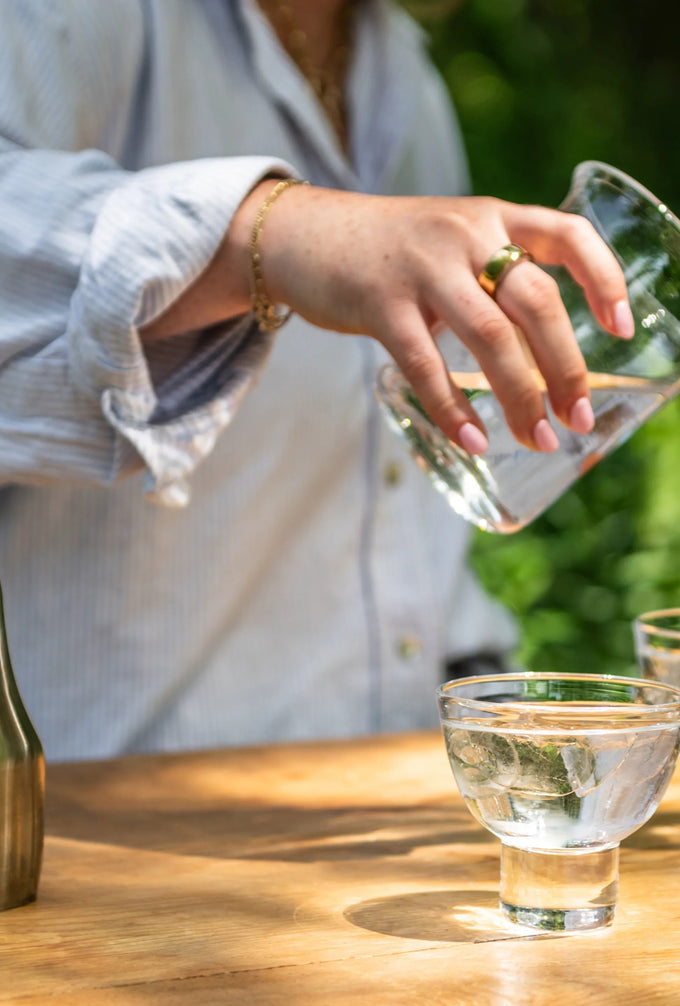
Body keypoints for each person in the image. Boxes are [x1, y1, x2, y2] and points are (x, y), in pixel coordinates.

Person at [0, 0, 632, 761]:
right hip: (109, 827)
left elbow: (392, 512)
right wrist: (270, 233)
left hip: (373, 808)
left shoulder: (401, 75)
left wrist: (477, 679)